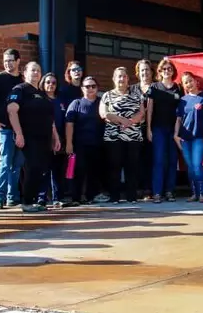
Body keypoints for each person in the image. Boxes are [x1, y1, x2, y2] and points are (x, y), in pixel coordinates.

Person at [7, 62, 61, 213]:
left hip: (44, 137)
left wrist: (56, 137)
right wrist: (19, 133)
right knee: (32, 167)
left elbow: (50, 119)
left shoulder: (42, 94)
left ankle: (34, 200)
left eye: (38, 70)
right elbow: (12, 110)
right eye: (33, 70)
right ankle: (26, 202)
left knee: (41, 169)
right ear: (25, 73)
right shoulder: (20, 89)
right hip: (29, 137)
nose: (36, 73)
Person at [100, 66, 145, 204]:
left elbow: (142, 113)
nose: (122, 79)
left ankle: (132, 196)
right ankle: (115, 197)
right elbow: (104, 113)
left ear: (128, 79)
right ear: (114, 79)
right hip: (113, 137)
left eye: (124, 76)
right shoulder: (107, 95)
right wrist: (122, 120)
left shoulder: (136, 95)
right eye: (119, 76)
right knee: (114, 166)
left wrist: (130, 122)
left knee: (132, 167)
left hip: (133, 137)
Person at [0, 48, 23, 209]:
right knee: (5, 162)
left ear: (18, 61)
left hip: (21, 129)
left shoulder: (22, 80)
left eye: (10, 60)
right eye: (5, 61)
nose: (7, 64)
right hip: (5, 128)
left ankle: (12, 197)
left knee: (17, 164)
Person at [174, 72, 203, 203]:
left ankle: (202, 194)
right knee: (190, 166)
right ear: (183, 85)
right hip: (185, 138)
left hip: (199, 137)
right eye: (185, 82)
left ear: (196, 81)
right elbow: (179, 119)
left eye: (190, 80)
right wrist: (176, 135)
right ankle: (194, 193)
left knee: (197, 165)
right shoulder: (183, 100)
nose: (189, 84)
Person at [147, 57, 183, 203]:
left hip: (174, 130)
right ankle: (157, 192)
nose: (167, 71)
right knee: (159, 160)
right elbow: (149, 109)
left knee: (173, 160)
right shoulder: (154, 87)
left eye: (169, 69)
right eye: (164, 69)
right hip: (158, 128)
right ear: (160, 71)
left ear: (173, 71)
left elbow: (182, 111)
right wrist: (148, 129)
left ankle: (169, 191)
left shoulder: (178, 88)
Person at [65, 75, 106, 204]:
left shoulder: (102, 103)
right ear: (82, 88)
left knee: (95, 171)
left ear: (97, 88)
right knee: (79, 170)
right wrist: (69, 143)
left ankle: (91, 197)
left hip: (98, 144)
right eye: (87, 86)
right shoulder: (76, 103)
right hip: (80, 144)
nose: (90, 88)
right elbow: (69, 124)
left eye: (93, 86)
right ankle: (76, 198)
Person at [41, 72, 69, 207]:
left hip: (60, 139)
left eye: (53, 83)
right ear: (43, 83)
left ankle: (58, 197)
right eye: (48, 82)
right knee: (44, 170)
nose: (51, 85)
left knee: (57, 170)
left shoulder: (61, 100)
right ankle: (41, 198)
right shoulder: (40, 99)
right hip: (44, 138)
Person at [134, 59, 155, 200]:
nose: (145, 72)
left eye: (147, 69)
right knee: (136, 159)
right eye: (142, 70)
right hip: (136, 128)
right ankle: (137, 188)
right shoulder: (132, 89)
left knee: (150, 159)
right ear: (138, 72)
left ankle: (148, 189)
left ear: (151, 72)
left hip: (153, 128)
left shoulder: (157, 87)